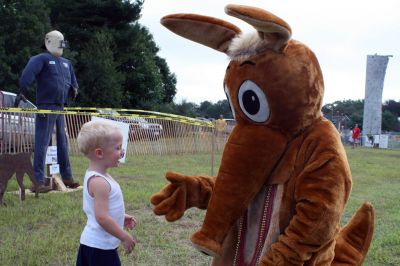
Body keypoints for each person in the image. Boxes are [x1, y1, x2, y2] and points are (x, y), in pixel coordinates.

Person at [15, 30, 79, 192]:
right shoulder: (41, 58)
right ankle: (38, 180)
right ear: (50, 42)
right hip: (45, 106)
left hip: (60, 107)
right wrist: (22, 89)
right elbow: (27, 74)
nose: (62, 45)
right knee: (42, 143)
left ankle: (67, 177)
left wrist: (74, 89)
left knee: (63, 143)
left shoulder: (67, 63)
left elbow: (73, 82)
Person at [76, 120, 137, 266]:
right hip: (100, 248)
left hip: (95, 245)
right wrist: (124, 236)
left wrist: (120, 217)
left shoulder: (97, 175)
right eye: (118, 148)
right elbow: (102, 218)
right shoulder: (100, 182)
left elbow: (100, 210)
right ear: (99, 153)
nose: (122, 152)